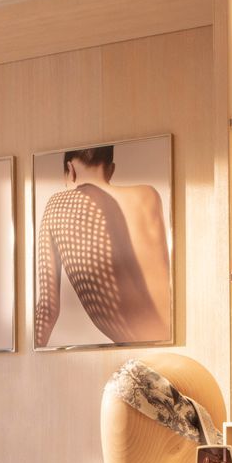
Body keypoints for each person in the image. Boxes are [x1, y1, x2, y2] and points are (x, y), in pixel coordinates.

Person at [33, 145, 172, 347]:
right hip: (171, 336)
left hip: (135, 349)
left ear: (70, 171)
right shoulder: (148, 195)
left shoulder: (57, 204)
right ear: (111, 169)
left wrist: (31, 356)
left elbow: (47, 308)